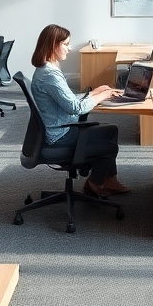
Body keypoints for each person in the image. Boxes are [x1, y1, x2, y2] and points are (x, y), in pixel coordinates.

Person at [30, 24, 130, 198]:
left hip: (58, 129)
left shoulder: (46, 70)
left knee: (111, 130)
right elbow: (75, 108)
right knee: (110, 145)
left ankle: (108, 181)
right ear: (54, 44)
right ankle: (94, 184)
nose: (69, 49)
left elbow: (66, 99)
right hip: (60, 136)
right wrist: (104, 95)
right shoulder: (50, 76)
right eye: (66, 44)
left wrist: (92, 93)